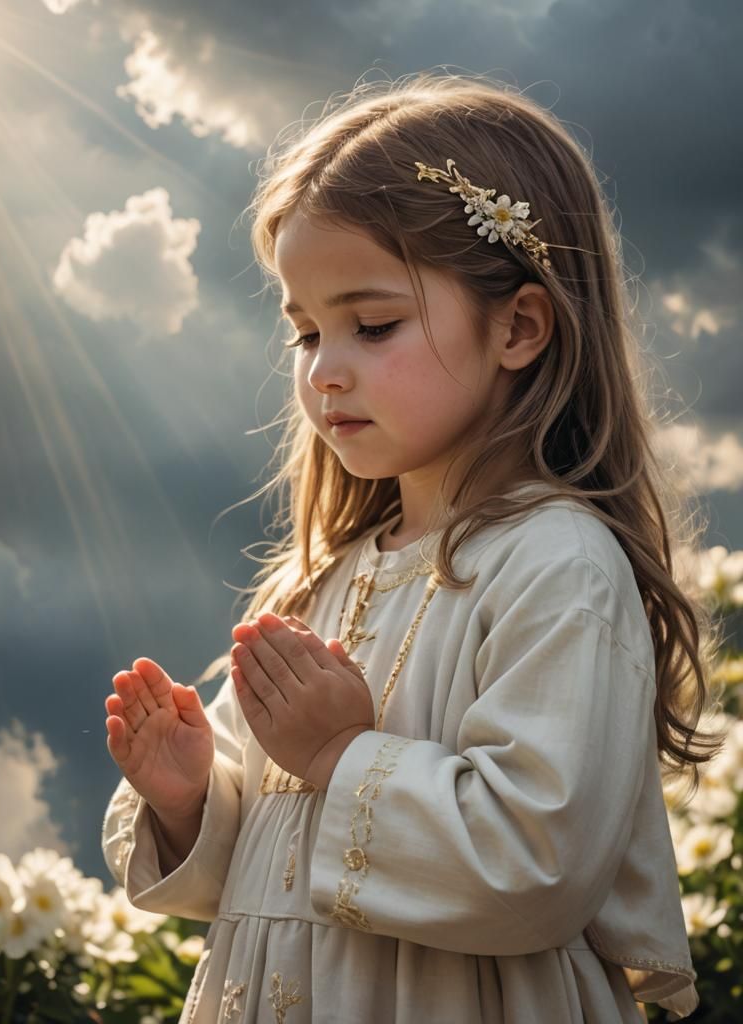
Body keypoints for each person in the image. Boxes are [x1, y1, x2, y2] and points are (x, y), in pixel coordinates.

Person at [101, 70, 724, 1023]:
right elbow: (260, 862)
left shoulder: (558, 566)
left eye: (372, 323)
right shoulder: (318, 581)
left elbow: (535, 863)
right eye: (304, 333)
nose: (326, 371)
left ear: (518, 325)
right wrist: (192, 797)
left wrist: (342, 752)